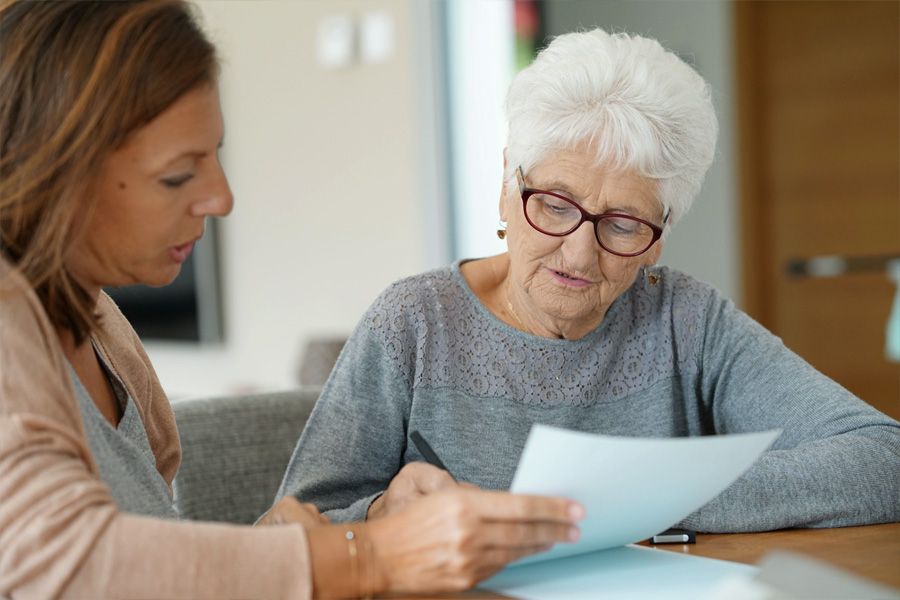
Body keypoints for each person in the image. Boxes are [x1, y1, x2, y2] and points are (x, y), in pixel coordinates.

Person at [0, 2, 584, 598]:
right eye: (178, 175)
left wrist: (350, 530)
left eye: (216, 156)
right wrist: (367, 557)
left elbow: (162, 566)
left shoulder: (97, 323)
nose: (221, 198)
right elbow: (61, 563)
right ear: (55, 171)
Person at [279, 28, 900, 531]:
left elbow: (884, 459)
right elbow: (284, 534)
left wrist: (644, 497)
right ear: (506, 185)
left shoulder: (686, 319)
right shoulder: (414, 323)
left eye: (624, 224)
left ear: (660, 235)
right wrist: (383, 518)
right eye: (554, 204)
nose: (578, 255)